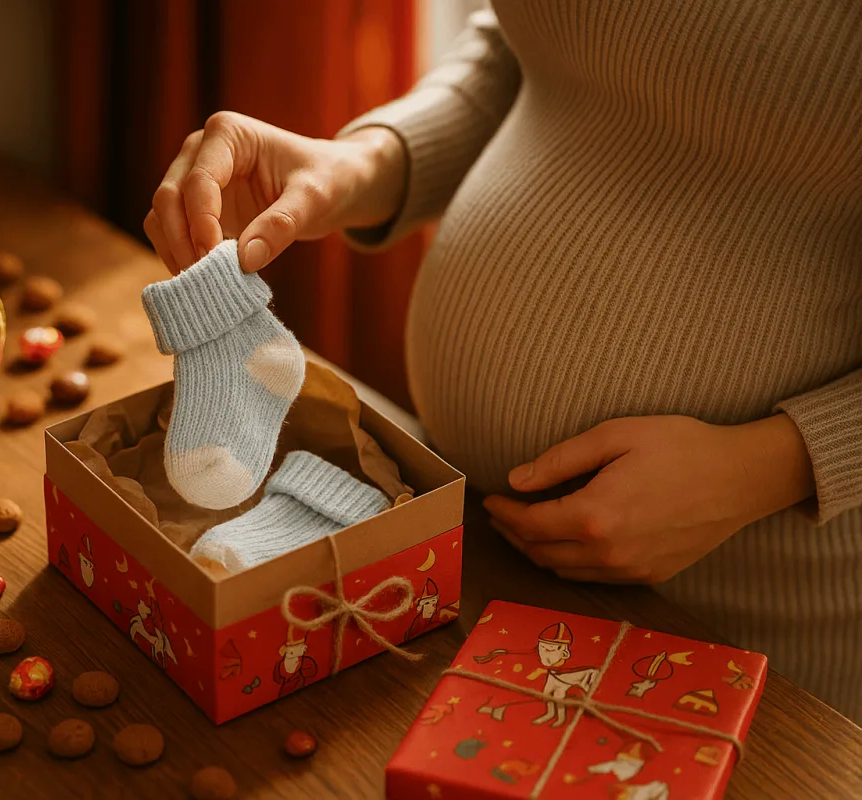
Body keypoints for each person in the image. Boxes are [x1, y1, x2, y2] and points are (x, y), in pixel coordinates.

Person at [143, 3, 862, 722]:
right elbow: (527, 49)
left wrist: (777, 461)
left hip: (744, 613)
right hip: (470, 545)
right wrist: (358, 165)